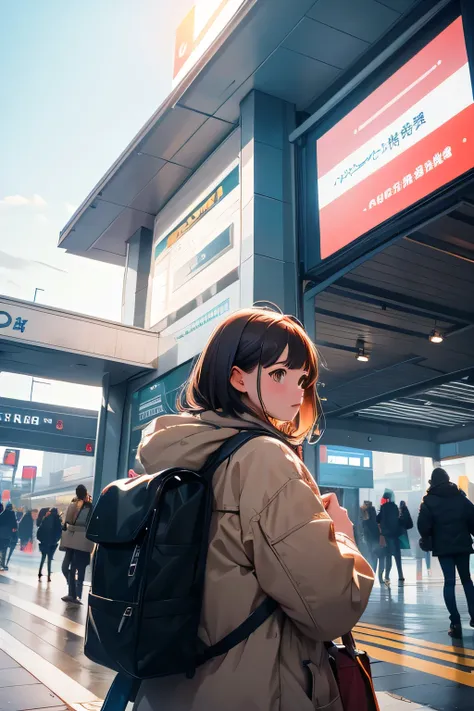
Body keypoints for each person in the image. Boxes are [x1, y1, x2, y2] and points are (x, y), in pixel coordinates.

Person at [133, 308, 374, 711]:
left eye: (303, 380)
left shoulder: (184, 455)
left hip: (176, 686)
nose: (297, 392)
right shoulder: (263, 458)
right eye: (280, 374)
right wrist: (343, 536)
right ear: (237, 376)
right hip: (261, 690)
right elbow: (331, 607)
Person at [418, 467, 474, 637]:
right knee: (467, 580)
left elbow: (423, 525)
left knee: (449, 582)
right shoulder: (460, 497)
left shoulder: (428, 501)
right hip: (462, 545)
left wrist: (426, 539)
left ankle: (455, 623)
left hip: (443, 547)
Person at [61, 484, 93, 604]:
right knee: (72, 568)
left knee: (76, 568)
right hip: (75, 541)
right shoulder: (75, 504)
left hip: (79, 541)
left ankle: (75, 595)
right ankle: (74, 592)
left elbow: (69, 522)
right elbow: (68, 521)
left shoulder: (88, 506)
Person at [377, 489, 405, 586]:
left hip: (387, 536)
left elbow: (378, 519)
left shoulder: (383, 508)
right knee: (397, 556)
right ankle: (400, 575)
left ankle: (387, 576)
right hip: (395, 535)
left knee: (388, 556)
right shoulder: (395, 507)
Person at [361, 501, 385, 583]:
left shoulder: (366, 515)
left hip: (370, 539)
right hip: (376, 538)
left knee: (373, 558)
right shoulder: (373, 515)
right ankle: (379, 577)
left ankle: (372, 575)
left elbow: (366, 528)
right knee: (379, 557)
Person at [37, 508, 63, 582]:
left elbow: (40, 530)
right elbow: (59, 532)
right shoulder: (57, 520)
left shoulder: (46, 518)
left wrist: (41, 539)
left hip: (44, 542)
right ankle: (49, 576)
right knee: (49, 559)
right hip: (52, 543)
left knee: (43, 558)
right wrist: (56, 540)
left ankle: (39, 573)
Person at [0, 504, 17, 571]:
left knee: (2, 549)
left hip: (3, 534)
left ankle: (2, 564)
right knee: (3, 550)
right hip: (6, 535)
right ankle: (2, 565)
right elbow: (14, 526)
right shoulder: (11, 514)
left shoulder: (5, 514)